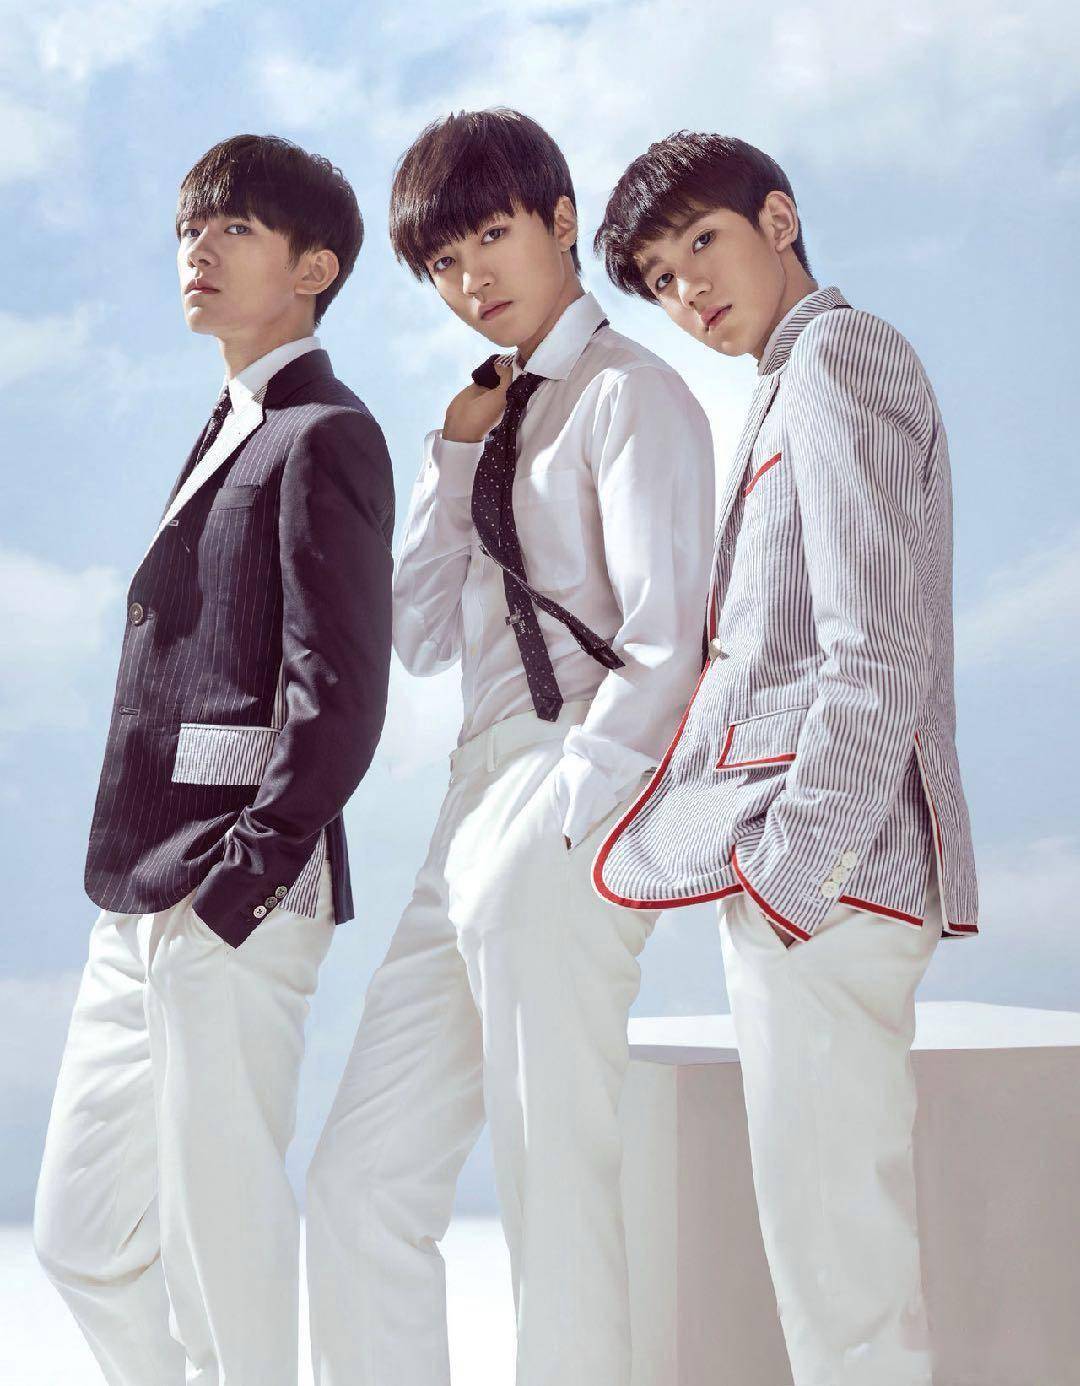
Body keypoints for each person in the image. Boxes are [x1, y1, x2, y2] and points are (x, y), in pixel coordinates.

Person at [305, 107, 715, 1386]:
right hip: (470, 800)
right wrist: (449, 455)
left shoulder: (630, 393)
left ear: (559, 221)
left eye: (492, 235)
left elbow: (668, 641)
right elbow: (421, 635)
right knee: (360, 1180)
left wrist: (572, 813)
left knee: (554, 1178)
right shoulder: (493, 416)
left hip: (566, 782)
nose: (472, 278)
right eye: (443, 262)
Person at [591, 131, 979, 1385]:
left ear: (778, 218)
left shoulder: (838, 357)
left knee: (840, 1266)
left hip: (832, 872)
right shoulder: (788, 378)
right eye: (659, 280)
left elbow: (879, 644)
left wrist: (791, 869)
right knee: (827, 1250)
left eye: (701, 244)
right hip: (820, 873)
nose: (688, 289)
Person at [33, 133, 395, 1386]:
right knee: (82, 1236)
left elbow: (338, 690)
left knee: (221, 1229)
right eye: (190, 226)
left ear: (313, 268)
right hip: (141, 881)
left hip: (234, 889)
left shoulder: (325, 433)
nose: (198, 247)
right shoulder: (228, 422)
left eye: (234, 227)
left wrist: (247, 875)